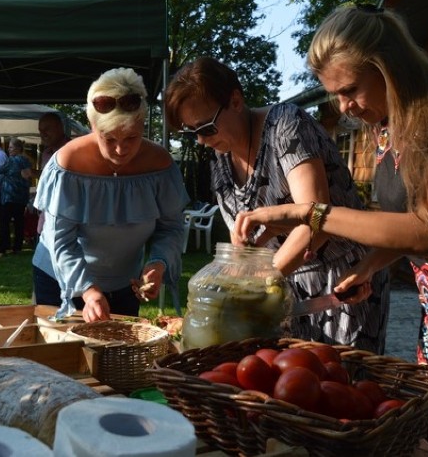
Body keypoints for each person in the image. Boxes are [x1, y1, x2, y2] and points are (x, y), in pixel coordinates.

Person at [231, 5, 428, 455]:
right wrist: (372, 266)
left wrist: (308, 213)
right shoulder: (387, 127)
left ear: (388, 66)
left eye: (350, 89)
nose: (344, 106)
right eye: (335, 94)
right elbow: (404, 221)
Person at [164, 56, 389, 354]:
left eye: (206, 127)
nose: (202, 141)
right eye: (192, 133)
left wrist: (252, 288)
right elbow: (249, 242)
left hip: (341, 284)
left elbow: (316, 220)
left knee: (340, 385)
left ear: (235, 100)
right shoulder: (221, 159)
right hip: (278, 294)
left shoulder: (286, 125)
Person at [34, 68, 189, 321]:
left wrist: (158, 263)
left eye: (132, 137)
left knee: (118, 355)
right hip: (59, 277)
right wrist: (88, 290)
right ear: (93, 127)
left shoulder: (160, 164)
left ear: (143, 124)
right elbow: (61, 240)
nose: (120, 149)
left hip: (125, 282)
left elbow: (171, 228)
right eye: (108, 138)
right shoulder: (69, 163)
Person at [31, 112, 71, 303]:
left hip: (66, 225)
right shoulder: (46, 153)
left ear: (60, 128)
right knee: (44, 273)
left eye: (47, 130)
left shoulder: (72, 150)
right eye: (40, 131)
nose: (43, 134)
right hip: (44, 223)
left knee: (64, 277)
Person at [0, 137, 33, 257]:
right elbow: (29, 176)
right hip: (22, 197)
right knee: (19, 223)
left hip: (9, 196)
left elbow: (0, 169)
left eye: (11, 147)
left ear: (18, 149)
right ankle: (17, 247)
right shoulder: (26, 160)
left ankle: (2, 248)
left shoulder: (11, 160)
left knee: (4, 222)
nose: (8, 150)